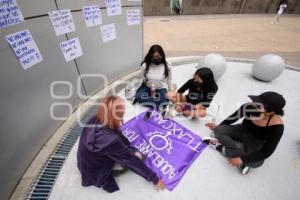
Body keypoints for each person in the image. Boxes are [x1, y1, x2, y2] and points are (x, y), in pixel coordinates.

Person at [77, 95, 165, 193]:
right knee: (139, 156)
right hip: (97, 171)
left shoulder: (95, 118)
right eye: (123, 111)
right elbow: (131, 161)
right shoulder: (111, 141)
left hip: (86, 164)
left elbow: (116, 134)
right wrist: (154, 179)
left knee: (124, 140)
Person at [203, 91, 285, 175]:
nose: (253, 104)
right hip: (241, 129)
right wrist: (219, 127)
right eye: (256, 101)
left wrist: (242, 159)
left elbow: (266, 152)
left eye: (258, 105)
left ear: (270, 112)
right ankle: (238, 151)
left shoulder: (277, 127)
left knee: (257, 163)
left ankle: (221, 148)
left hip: (256, 142)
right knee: (218, 130)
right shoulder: (248, 107)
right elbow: (232, 118)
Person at [134, 45, 172, 115]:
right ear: (150, 56)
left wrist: (170, 91)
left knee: (163, 99)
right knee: (139, 97)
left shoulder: (167, 65)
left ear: (162, 55)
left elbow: (169, 80)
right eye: (154, 57)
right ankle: (158, 106)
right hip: (147, 87)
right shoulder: (145, 65)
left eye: (158, 56)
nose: (156, 58)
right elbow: (140, 78)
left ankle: (156, 105)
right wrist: (135, 91)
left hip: (161, 88)